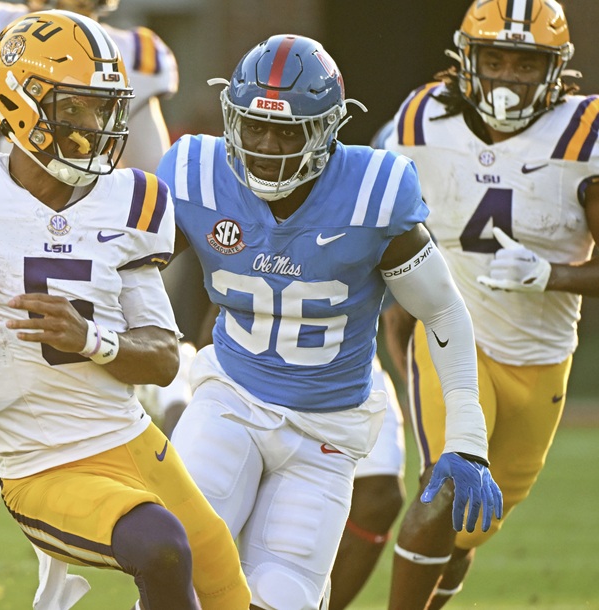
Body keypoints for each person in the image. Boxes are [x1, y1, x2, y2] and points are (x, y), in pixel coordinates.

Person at [0, 10, 251, 609]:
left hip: (129, 437)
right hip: (41, 462)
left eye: (104, 106)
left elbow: (163, 358)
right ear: (19, 105)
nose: (99, 125)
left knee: (225, 585)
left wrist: (92, 340)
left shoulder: (127, 202)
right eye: (76, 108)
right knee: (163, 546)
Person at [155, 34, 503, 610]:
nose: (267, 146)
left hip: (326, 427)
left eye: (288, 131)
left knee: (283, 598)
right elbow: (133, 273)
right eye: (254, 126)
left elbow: (441, 308)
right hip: (230, 397)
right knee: (177, 566)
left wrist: (465, 438)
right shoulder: (196, 173)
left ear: (327, 129)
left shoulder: (372, 193)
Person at [383, 1, 598, 607]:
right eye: (494, 59)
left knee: (468, 524)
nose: (508, 77)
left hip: (540, 357)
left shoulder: (584, 135)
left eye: (525, 63)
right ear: (466, 60)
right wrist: (393, 308)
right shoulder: (422, 118)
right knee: (443, 488)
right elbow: (384, 224)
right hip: (452, 333)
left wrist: (550, 274)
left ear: (554, 70)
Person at [326, 121, 409, 610]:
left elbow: (427, 303)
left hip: (347, 357)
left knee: (381, 495)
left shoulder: (370, 188)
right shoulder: (239, 180)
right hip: (257, 364)